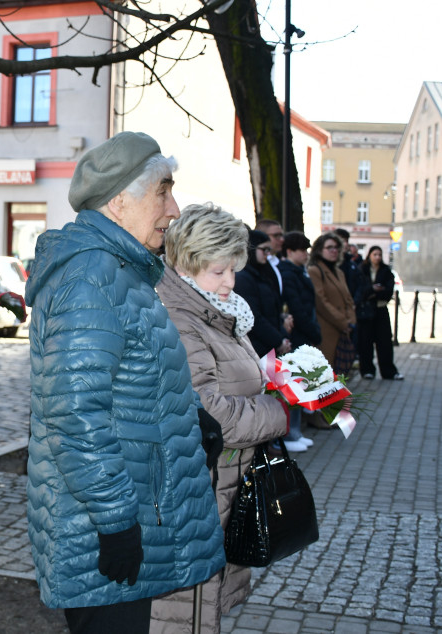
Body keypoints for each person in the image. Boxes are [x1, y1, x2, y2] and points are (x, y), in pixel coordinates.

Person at [25, 132, 225, 634]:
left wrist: (186, 416)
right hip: (102, 522)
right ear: (118, 200)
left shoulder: (121, 270)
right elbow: (74, 412)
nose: (174, 208)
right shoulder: (93, 276)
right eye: (163, 190)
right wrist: (115, 522)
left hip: (126, 506)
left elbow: (126, 378)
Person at [156, 202, 290, 634]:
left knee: (199, 614)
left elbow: (235, 383)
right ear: (185, 264)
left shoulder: (219, 313)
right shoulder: (182, 319)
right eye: (219, 271)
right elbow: (213, 416)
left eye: (234, 269)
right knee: (181, 615)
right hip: (197, 495)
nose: (230, 282)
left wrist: (288, 383)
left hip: (224, 489)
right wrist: (280, 409)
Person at [277, 231, 321, 450]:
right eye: (301, 250)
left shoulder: (298, 271)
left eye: (306, 250)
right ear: (290, 251)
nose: (305, 254)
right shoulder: (288, 273)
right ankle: (290, 434)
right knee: (292, 386)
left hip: (303, 333)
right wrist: (312, 330)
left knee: (300, 384)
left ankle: (295, 431)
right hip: (296, 334)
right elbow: (297, 306)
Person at [233, 229, 292, 359]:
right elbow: (254, 316)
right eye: (264, 249)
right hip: (257, 348)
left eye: (269, 250)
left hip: (268, 346)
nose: (267, 254)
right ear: (251, 248)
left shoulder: (262, 273)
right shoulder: (243, 277)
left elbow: (273, 312)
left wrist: (282, 337)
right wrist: (278, 340)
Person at [308, 232, 357, 378]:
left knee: (339, 374)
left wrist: (351, 320)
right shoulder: (315, 270)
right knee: (325, 374)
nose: (334, 251)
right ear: (319, 250)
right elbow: (321, 301)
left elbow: (348, 299)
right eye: (329, 247)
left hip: (343, 329)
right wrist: (343, 322)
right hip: (327, 329)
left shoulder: (339, 272)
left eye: (336, 247)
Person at [356, 246, 403, 380]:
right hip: (366, 311)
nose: (377, 257)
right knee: (365, 341)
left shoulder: (386, 271)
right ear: (369, 255)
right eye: (375, 254)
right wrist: (372, 290)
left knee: (384, 341)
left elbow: (388, 292)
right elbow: (361, 291)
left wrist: (375, 292)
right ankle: (367, 370)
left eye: (379, 255)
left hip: (381, 309)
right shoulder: (362, 269)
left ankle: (388, 371)